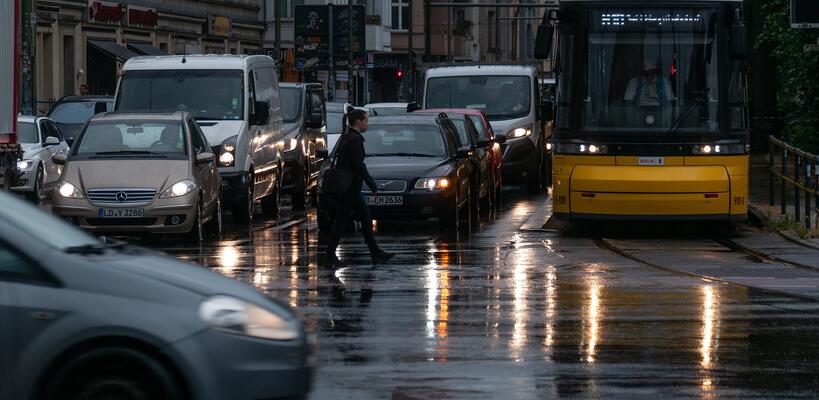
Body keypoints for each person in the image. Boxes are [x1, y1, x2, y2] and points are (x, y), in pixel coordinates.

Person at [325, 109, 394, 266]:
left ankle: (375, 252)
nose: (367, 124)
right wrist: (372, 185)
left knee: (361, 218)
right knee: (344, 221)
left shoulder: (347, 137)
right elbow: (358, 165)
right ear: (358, 122)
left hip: (350, 186)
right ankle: (330, 255)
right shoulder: (355, 140)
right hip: (351, 187)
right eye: (366, 121)